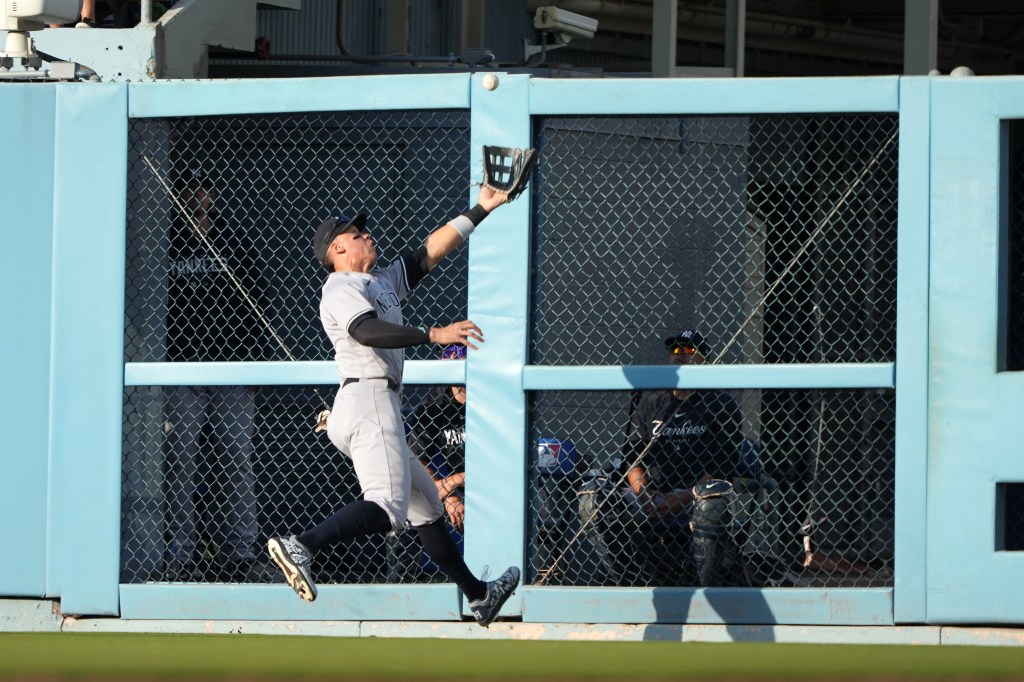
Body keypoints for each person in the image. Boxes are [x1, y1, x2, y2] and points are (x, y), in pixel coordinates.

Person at [266, 184, 520, 628]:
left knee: (427, 508)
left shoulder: (377, 280)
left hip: (370, 401)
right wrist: (432, 335)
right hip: (368, 397)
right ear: (338, 248)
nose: (368, 236)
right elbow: (365, 332)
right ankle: (300, 545)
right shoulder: (340, 285)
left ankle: (480, 597)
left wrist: (484, 206)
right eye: (357, 234)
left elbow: (427, 254)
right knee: (387, 508)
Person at [162, 167, 269, 582]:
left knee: (236, 460)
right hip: (180, 368)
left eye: (203, 188)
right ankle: (178, 552)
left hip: (230, 367)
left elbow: (257, 300)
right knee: (178, 461)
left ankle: (242, 551)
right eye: (188, 188)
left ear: (211, 194)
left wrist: (254, 364)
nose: (196, 197)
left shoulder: (231, 240)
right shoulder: (167, 240)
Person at [620, 330, 744, 585]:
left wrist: (680, 498)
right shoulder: (651, 401)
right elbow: (633, 460)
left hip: (696, 494)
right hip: (651, 493)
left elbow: (721, 470)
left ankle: (703, 586)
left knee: (712, 503)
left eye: (689, 351)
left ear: (705, 360)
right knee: (599, 499)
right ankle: (628, 578)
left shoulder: (720, 403)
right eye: (675, 351)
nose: (681, 356)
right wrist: (645, 495)